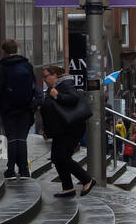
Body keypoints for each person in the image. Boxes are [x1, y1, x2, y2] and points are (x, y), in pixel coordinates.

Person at [40, 64, 95, 198]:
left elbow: (73, 99)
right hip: (62, 129)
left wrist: (57, 95)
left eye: (46, 76)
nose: (44, 79)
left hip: (72, 128)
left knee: (63, 157)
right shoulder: (53, 88)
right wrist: (47, 130)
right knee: (56, 158)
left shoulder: (65, 84)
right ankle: (68, 188)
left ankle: (87, 180)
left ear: (54, 75)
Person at [0, 39, 40, 179]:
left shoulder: (3, 66)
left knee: (12, 138)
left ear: (4, 51)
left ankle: (11, 169)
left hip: (8, 108)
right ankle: (24, 170)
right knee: (22, 139)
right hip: (25, 107)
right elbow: (33, 85)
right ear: (17, 49)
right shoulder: (26, 64)